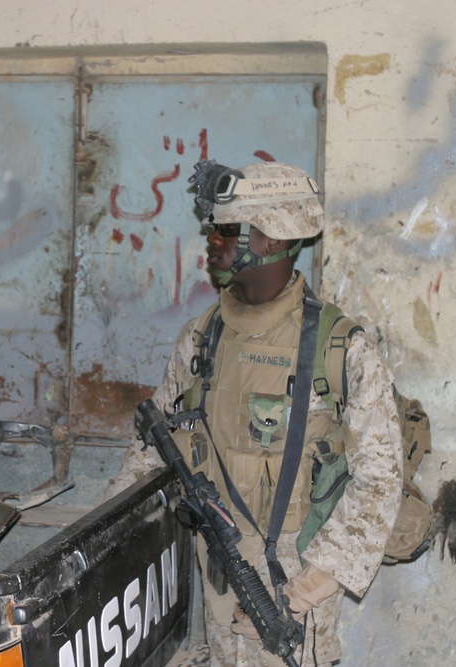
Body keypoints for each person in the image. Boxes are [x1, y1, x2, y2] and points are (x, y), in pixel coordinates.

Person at [151, 160, 403, 667]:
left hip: (293, 599)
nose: (212, 240)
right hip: (220, 577)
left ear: (268, 239)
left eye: (225, 229)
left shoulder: (341, 350)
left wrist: (305, 591)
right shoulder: (203, 337)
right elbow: (151, 445)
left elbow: (379, 482)